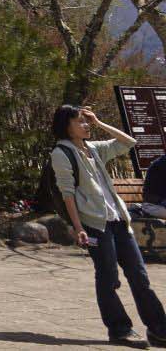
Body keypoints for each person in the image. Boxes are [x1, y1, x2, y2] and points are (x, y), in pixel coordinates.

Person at [51, 104, 166, 347]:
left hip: (119, 221)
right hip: (95, 224)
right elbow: (67, 194)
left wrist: (99, 122)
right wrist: (78, 226)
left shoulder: (93, 148)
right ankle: (119, 329)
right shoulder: (62, 153)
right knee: (108, 278)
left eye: (86, 121)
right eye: (80, 121)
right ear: (66, 126)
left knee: (139, 275)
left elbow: (128, 142)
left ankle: (158, 329)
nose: (85, 125)